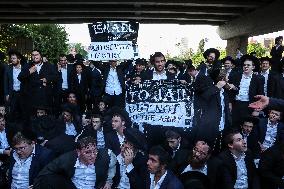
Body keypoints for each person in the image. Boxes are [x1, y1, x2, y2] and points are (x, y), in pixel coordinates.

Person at [34, 136, 116, 189]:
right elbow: (47, 170)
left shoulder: (105, 155)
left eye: (95, 151)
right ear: (78, 152)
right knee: (48, 179)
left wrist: (109, 181)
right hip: (73, 187)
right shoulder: (67, 158)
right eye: (88, 152)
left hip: (95, 186)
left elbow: (113, 164)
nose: (93, 155)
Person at [228, 54, 264, 128]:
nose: (246, 66)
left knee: (246, 126)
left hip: (249, 105)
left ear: (253, 67)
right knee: (234, 125)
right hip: (236, 104)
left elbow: (261, 95)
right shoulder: (236, 76)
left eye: (248, 65)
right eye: (244, 65)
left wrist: (256, 110)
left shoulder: (259, 78)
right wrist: (230, 103)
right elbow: (230, 92)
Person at [18, 49, 57, 117]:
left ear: (40, 56)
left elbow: (55, 76)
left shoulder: (48, 65)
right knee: (32, 119)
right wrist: (29, 72)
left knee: (45, 119)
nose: (34, 56)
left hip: (45, 97)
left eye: (36, 55)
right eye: (33, 55)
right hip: (32, 98)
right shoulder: (27, 66)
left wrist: (46, 79)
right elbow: (20, 77)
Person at [4, 50, 24, 120]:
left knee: (22, 112)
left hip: (22, 94)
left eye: (14, 58)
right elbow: (6, 82)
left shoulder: (24, 68)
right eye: (11, 58)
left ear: (19, 59)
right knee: (12, 113)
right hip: (12, 94)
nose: (12, 60)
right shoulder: (8, 68)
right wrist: (6, 94)